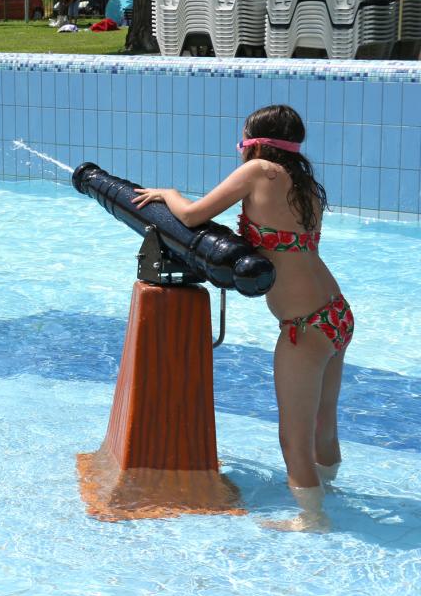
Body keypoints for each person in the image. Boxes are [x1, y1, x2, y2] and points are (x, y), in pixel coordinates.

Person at [132, 105, 353, 532]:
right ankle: (328, 493)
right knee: (324, 424)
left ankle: (312, 518)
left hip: (304, 326)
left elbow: (193, 215)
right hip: (336, 313)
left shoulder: (258, 172)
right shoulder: (304, 183)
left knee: (293, 437)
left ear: (253, 139)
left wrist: (167, 194)